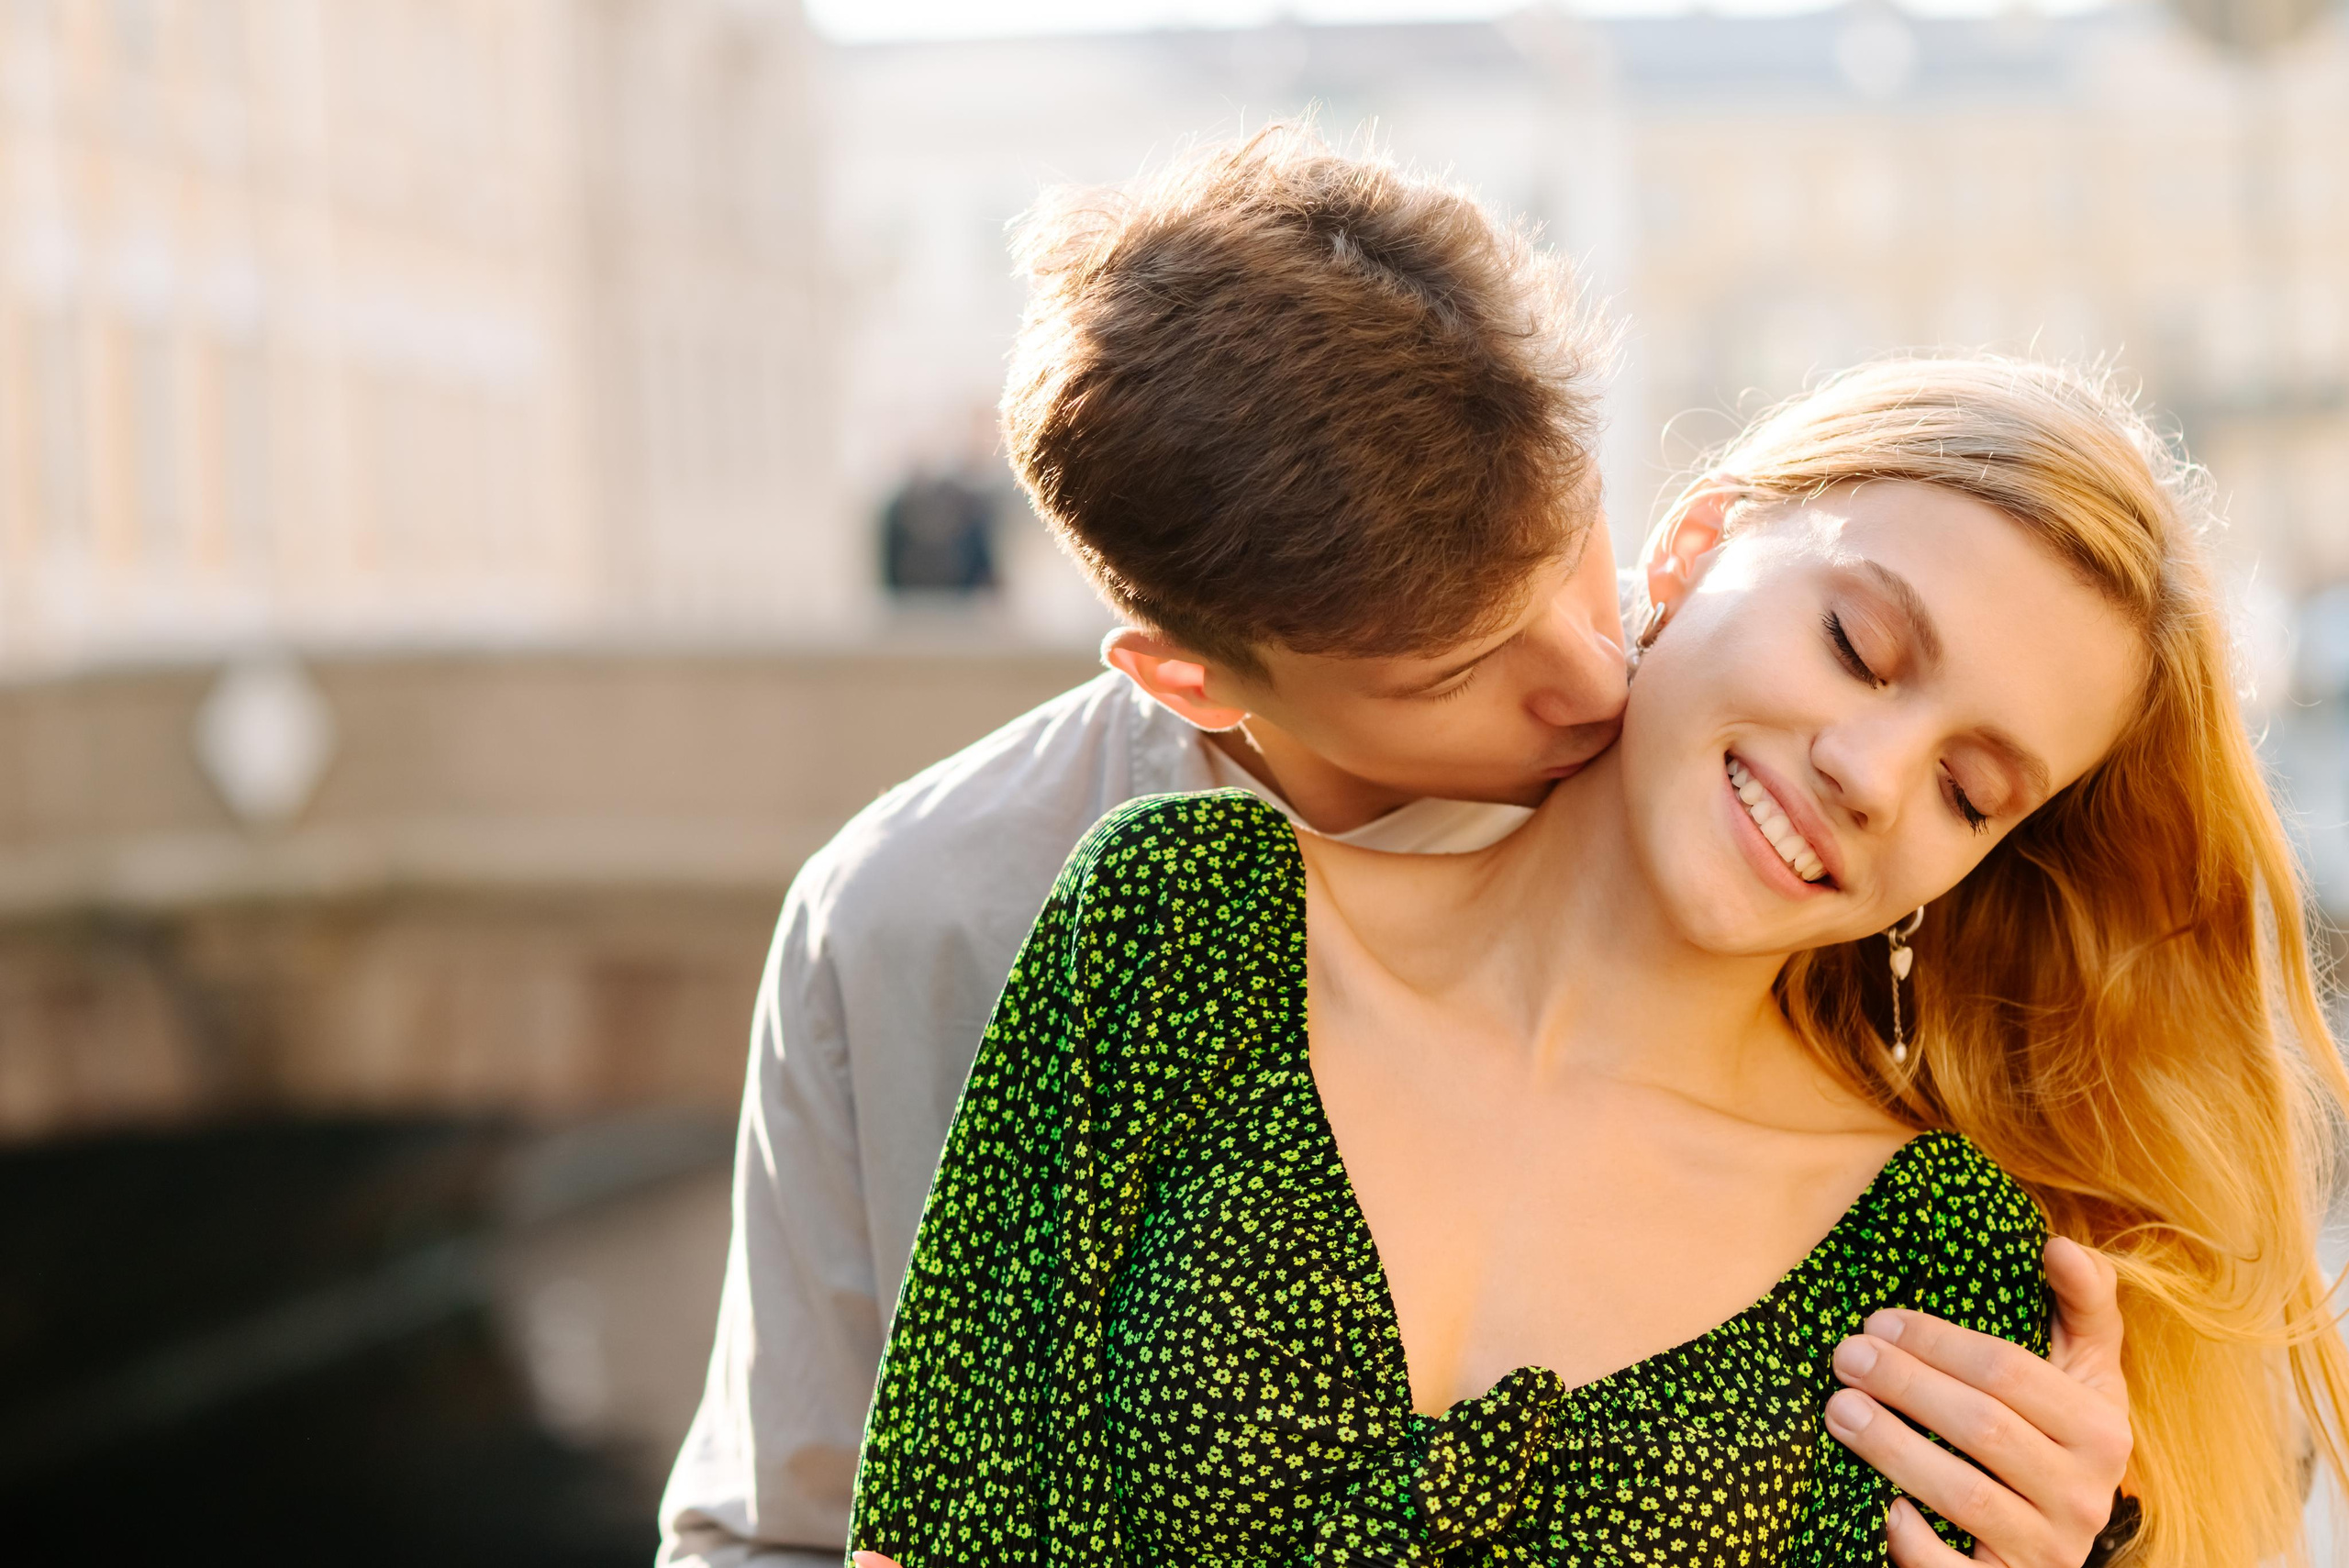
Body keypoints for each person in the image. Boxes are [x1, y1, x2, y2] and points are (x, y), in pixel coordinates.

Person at [658, 132, 2132, 1568]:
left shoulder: (1753, 815)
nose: (1594, 675)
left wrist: (2108, 1540)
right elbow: (782, 1524)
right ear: (1194, 682)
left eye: (1573, 548)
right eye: (1455, 668)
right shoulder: (950, 915)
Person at [848, 355, 2348, 1568]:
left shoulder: (1934, 1257)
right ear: (1693, 551)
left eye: (1972, 788)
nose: (1875, 774)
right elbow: (927, 1534)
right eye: (1856, 644)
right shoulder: (1179, 925)